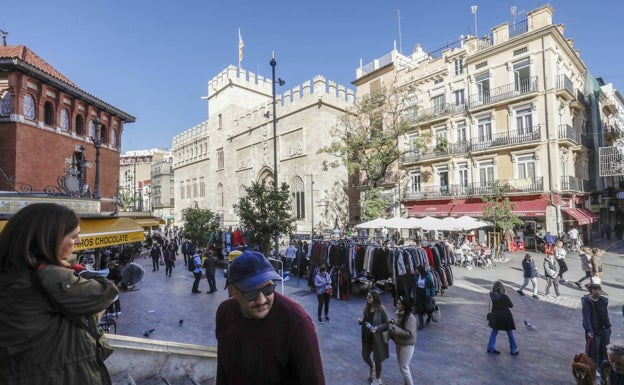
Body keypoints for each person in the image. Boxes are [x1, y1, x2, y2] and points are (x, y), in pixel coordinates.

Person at [0, 203, 118, 385]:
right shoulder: (51, 276)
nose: (78, 241)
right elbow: (106, 291)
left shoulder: (12, 274)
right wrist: (70, 267)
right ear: (48, 240)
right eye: (74, 236)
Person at [215, 250, 325, 385]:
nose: (261, 300)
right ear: (233, 291)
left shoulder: (296, 323)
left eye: (268, 288)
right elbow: (223, 369)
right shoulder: (224, 312)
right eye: (251, 293)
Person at [358, 290, 389, 385]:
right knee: (365, 356)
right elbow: (365, 320)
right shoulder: (366, 308)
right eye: (367, 296)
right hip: (367, 337)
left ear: (374, 298)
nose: (367, 298)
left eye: (369, 297)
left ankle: (378, 379)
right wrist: (361, 321)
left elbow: (386, 324)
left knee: (378, 359)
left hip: (377, 339)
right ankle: (372, 367)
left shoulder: (381, 310)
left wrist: (377, 328)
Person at [582, 283, 611, 374]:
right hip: (594, 330)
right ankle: (594, 368)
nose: (598, 291)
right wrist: (589, 330)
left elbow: (605, 314)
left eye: (599, 289)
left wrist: (608, 327)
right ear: (591, 291)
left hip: (605, 329)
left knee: (604, 349)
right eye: (596, 290)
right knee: (594, 350)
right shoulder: (586, 301)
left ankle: (602, 367)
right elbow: (586, 317)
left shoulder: (603, 300)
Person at [388, 295, 417, 385]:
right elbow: (397, 323)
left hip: (407, 345)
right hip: (399, 343)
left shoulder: (410, 318)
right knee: (402, 366)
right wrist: (393, 322)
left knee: (404, 367)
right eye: (397, 302)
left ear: (405, 306)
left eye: (399, 304)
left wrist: (394, 329)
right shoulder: (399, 312)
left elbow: (409, 333)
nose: (397, 304)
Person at [487, 280, 519, 355]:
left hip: (495, 316)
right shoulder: (504, 297)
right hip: (505, 317)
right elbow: (511, 305)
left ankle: (490, 347)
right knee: (510, 333)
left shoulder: (491, 294)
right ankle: (513, 349)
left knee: (494, 332)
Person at [414, 265, 437, 330]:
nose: (415, 271)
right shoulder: (416, 276)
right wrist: (412, 293)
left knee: (427, 308)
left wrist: (432, 295)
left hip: (426, 294)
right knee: (419, 309)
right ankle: (421, 324)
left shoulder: (428, 276)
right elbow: (414, 286)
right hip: (418, 294)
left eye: (416, 270)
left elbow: (432, 286)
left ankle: (429, 316)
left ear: (419, 270)